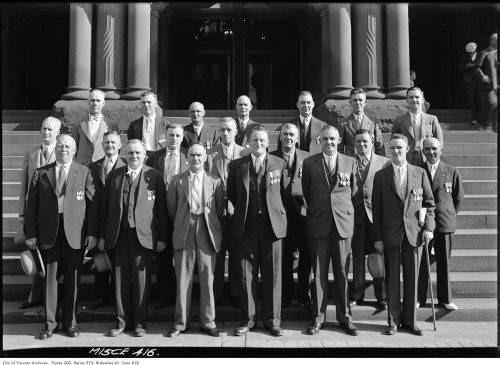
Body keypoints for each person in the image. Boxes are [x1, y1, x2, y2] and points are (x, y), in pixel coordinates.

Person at [25, 134, 98, 340]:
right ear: (55, 149)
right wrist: (31, 234)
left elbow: (93, 206)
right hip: (49, 234)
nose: (63, 149)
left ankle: (71, 324)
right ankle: (50, 324)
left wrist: (92, 233)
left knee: (73, 281)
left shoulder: (84, 172)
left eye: (67, 146)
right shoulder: (41, 173)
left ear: (74, 150)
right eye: (60, 146)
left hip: (75, 235)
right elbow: (31, 206)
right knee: (50, 282)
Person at [100, 140, 168, 337]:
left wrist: (162, 237)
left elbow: (162, 209)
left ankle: (139, 323)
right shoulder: (115, 175)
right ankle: (121, 322)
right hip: (119, 235)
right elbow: (105, 208)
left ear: (145, 155)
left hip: (144, 236)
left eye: (138, 153)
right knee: (119, 280)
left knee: (141, 281)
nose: (134, 156)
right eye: (130, 153)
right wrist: (103, 235)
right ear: (124, 154)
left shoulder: (154, 176)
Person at [372, 133, 435, 336]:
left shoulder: (420, 173)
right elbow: (377, 209)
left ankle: (410, 321)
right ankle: (393, 321)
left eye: (400, 148)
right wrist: (378, 238)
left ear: (407, 149)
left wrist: (428, 229)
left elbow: (429, 204)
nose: (396, 151)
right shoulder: (381, 176)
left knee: (411, 279)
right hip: (390, 234)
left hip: (414, 235)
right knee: (392, 279)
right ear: (389, 150)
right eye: (393, 148)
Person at [227, 126, 287, 337]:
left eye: (262, 140)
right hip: (247, 227)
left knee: (273, 275)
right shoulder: (236, 166)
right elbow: (232, 194)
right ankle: (248, 318)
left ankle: (273, 321)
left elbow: (285, 193)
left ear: (268, 143)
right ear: (248, 143)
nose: (258, 144)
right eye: (254, 140)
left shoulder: (279, 163)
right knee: (246, 275)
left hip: (272, 227)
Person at [301, 125, 359, 337]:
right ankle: (318, 318)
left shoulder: (350, 162)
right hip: (319, 223)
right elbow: (307, 191)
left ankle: (345, 319)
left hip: (342, 224)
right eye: (325, 139)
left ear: (339, 140)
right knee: (318, 274)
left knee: (342, 273)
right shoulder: (309, 163)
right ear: (319, 140)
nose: (329, 142)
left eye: (333, 139)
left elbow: (354, 191)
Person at [166, 143, 225, 338]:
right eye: (192, 155)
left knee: (208, 279)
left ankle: (208, 322)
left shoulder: (215, 181)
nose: (196, 158)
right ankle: (180, 322)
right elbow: (172, 209)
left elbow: (218, 208)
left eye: (200, 155)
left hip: (207, 230)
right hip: (185, 229)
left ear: (205, 158)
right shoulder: (177, 180)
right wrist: (185, 221)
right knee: (183, 279)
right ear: (187, 158)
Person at [18, 116, 61, 310]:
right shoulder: (31, 154)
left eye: (51, 130)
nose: (46, 132)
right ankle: (35, 296)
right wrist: (22, 213)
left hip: (53, 216)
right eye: (44, 128)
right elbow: (23, 187)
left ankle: (52, 299)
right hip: (33, 213)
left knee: (51, 259)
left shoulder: (63, 154)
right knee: (35, 256)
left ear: (58, 133)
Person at [205, 117, 249, 308]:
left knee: (238, 254)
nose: (225, 133)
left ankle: (236, 294)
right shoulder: (209, 155)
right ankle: (217, 295)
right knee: (218, 254)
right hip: (216, 213)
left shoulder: (245, 153)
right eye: (222, 130)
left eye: (229, 130)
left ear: (236, 131)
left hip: (239, 212)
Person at [417, 137, 464, 311]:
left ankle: (445, 299)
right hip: (423, 224)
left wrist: (447, 214)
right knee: (422, 263)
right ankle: (419, 297)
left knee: (443, 263)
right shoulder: (418, 170)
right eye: (427, 149)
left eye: (434, 149)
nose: (431, 152)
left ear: (441, 150)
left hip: (444, 223)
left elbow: (458, 199)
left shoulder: (451, 171)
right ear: (423, 151)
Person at [146, 123, 189, 309]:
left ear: (182, 137)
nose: (174, 139)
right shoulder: (154, 158)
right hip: (160, 213)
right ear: (166, 136)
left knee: (182, 257)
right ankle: (165, 295)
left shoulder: (190, 155)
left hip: (183, 212)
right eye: (171, 135)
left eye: (177, 135)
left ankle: (182, 294)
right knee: (163, 257)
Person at [270, 123, 312, 311]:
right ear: (280, 137)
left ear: (297, 138)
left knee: (306, 256)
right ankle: (285, 295)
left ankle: (304, 295)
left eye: (291, 134)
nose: (288, 137)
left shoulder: (308, 158)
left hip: (303, 216)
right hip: (280, 215)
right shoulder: (271, 158)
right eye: (285, 134)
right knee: (284, 258)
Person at [349, 129, 391, 309]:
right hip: (356, 216)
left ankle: (381, 295)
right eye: (358, 142)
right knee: (357, 256)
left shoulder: (384, 163)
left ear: (372, 142)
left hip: (377, 217)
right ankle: (357, 293)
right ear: (354, 144)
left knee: (378, 255)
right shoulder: (347, 163)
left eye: (365, 141)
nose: (362, 145)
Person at [85, 130, 126, 310]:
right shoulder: (92, 167)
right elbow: (92, 201)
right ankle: (100, 296)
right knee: (100, 261)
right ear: (102, 145)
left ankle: (119, 298)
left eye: (113, 142)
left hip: (120, 224)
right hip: (99, 220)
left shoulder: (127, 165)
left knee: (118, 263)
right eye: (107, 142)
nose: (110, 145)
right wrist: (95, 232)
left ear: (120, 145)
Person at [391, 87, 443, 166]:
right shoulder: (399, 120)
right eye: (411, 97)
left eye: (417, 97)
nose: (414, 100)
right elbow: (394, 141)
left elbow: (439, 143)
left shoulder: (432, 119)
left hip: (427, 157)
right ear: (407, 101)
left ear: (422, 100)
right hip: (406, 159)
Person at [71, 89, 119, 166]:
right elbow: (73, 146)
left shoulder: (111, 125)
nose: (95, 103)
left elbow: (116, 148)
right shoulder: (78, 124)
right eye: (92, 100)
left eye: (98, 101)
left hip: (103, 166)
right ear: (88, 102)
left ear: (103, 103)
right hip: (83, 166)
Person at [338, 88, 385, 157]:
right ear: (350, 102)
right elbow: (339, 149)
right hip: (350, 162)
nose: (358, 103)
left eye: (360, 100)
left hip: (369, 163)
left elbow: (379, 147)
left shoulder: (373, 123)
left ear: (365, 102)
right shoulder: (343, 124)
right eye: (355, 100)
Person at [127, 91, 170, 156]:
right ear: (140, 104)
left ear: (156, 104)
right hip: (141, 158)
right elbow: (131, 144)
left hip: (159, 157)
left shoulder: (166, 124)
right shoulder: (134, 125)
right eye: (143, 102)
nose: (146, 105)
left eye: (149, 102)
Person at [475, 33, 498, 132]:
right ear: (493, 41)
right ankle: (487, 126)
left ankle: (492, 127)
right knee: (493, 104)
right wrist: (483, 76)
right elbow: (476, 68)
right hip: (489, 86)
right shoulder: (484, 52)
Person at [460, 42, 482, 125]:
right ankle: (475, 118)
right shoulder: (464, 56)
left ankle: (482, 118)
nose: (471, 53)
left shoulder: (480, 55)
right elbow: (460, 67)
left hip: (479, 80)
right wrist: (467, 66)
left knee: (480, 99)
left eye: (472, 51)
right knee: (471, 100)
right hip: (468, 81)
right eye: (470, 51)